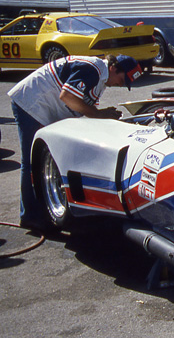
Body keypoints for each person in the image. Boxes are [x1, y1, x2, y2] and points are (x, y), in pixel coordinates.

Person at [8, 54, 143, 230]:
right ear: (114, 68)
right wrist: (99, 114)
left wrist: (101, 116)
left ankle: (40, 210)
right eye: (121, 79)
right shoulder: (93, 69)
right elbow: (68, 97)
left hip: (43, 105)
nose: (120, 85)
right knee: (32, 161)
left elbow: (79, 107)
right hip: (30, 103)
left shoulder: (100, 78)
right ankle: (29, 216)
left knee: (44, 158)